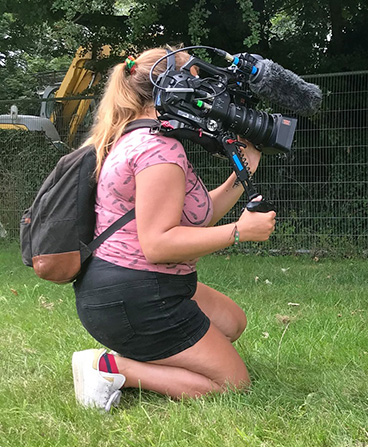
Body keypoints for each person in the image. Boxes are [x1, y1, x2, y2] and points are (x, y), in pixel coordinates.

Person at [71, 46, 277, 412]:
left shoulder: (136, 137)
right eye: (199, 87)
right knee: (231, 384)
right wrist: (239, 232)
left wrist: (243, 172)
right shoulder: (157, 150)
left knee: (231, 322)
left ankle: (149, 352)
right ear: (175, 88)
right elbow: (159, 243)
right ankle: (108, 367)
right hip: (135, 295)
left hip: (137, 287)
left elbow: (198, 213)